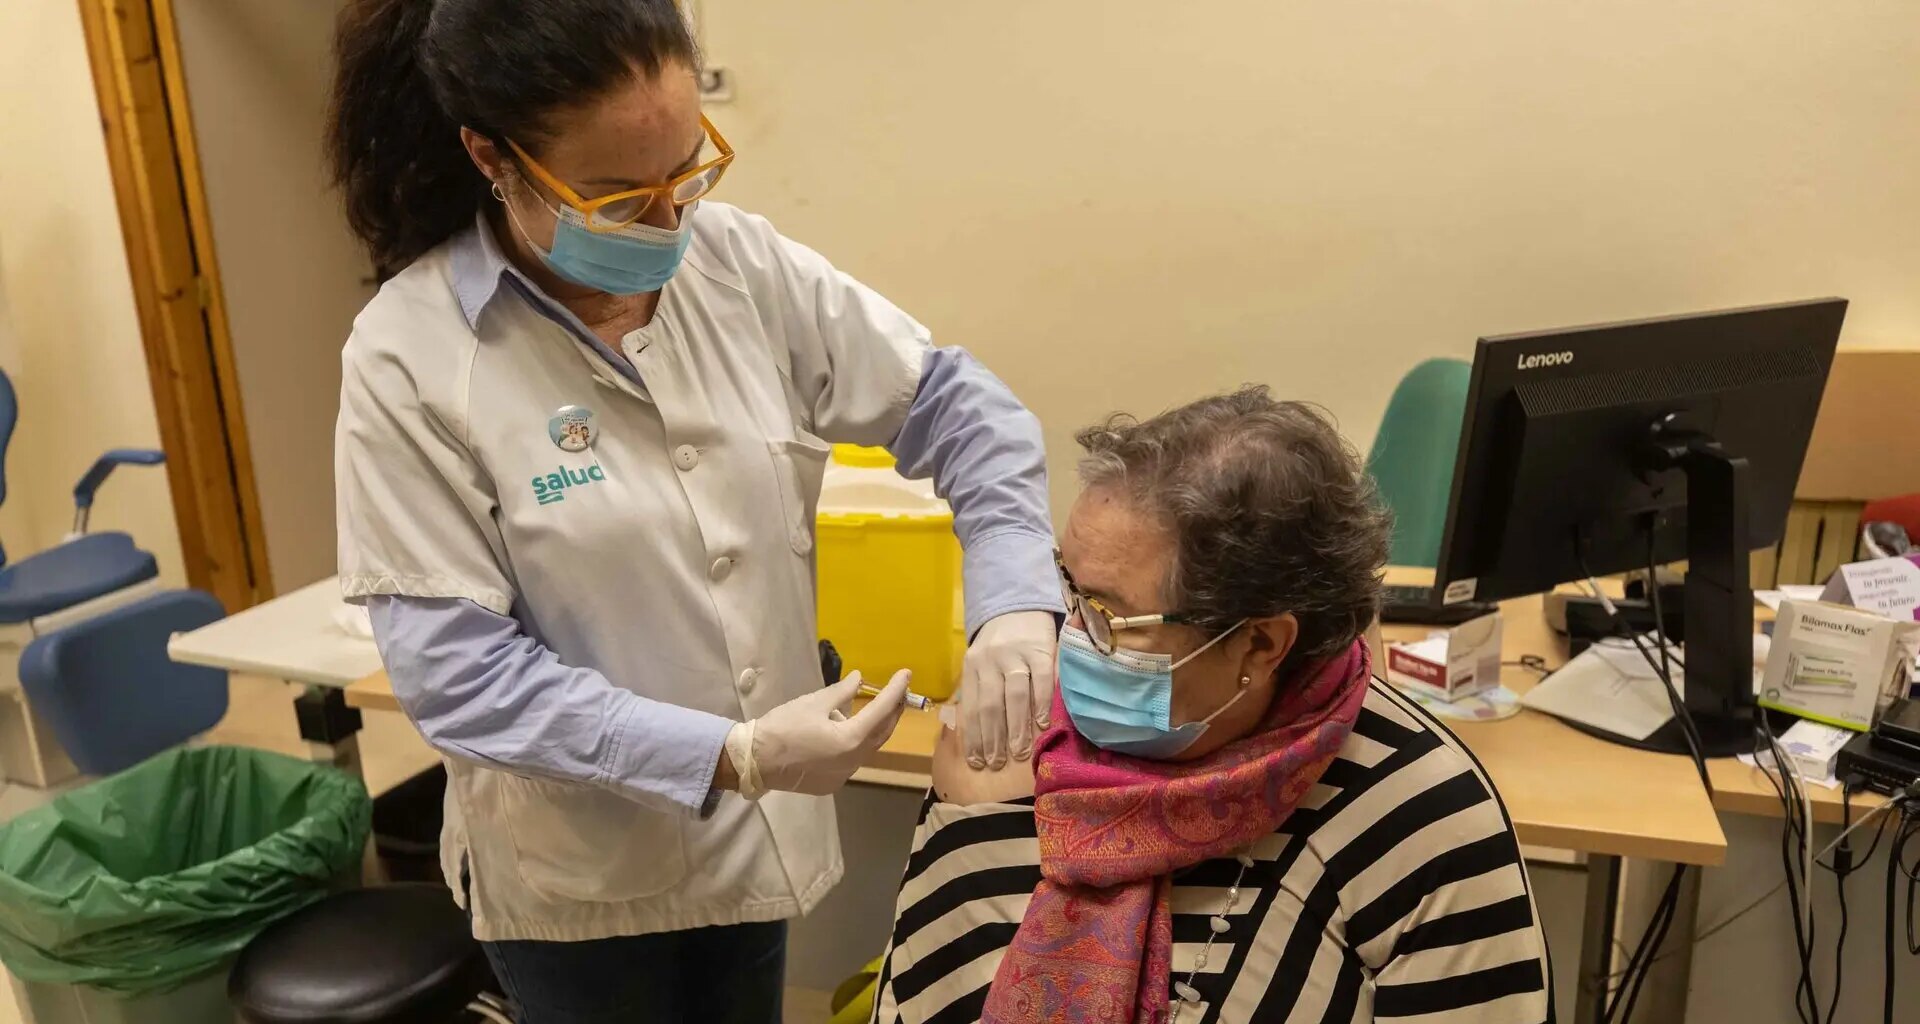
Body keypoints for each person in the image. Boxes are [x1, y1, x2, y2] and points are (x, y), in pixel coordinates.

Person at [324, 1, 1062, 1020]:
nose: (671, 222)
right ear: (492, 157)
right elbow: (460, 676)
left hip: (757, 838)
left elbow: (954, 405)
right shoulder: (410, 356)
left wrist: (1015, 597)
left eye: (687, 172)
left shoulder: (738, 264)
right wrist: (730, 754)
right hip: (578, 882)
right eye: (619, 196)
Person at [873, 388, 1553, 1024]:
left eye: (1112, 615)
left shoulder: (1418, 822)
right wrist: (971, 826)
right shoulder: (1016, 752)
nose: (1070, 637)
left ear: (1259, 644)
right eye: (1069, 590)